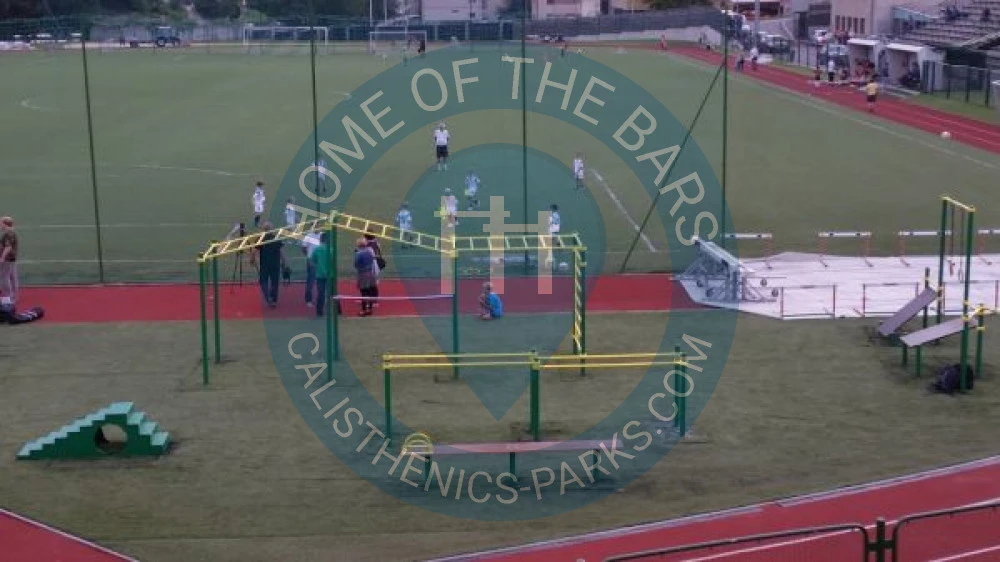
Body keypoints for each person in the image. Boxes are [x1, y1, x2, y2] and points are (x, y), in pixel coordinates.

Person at [255, 221, 284, 307]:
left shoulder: (261, 238)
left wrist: (252, 259)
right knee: (275, 282)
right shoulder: (276, 238)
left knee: (263, 281)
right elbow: (281, 252)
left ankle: (268, 297)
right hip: (275, 264)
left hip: (264, 264)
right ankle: (273, 300)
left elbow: (254, 250)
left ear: (263, 229)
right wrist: (284, 263)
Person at [354, 238, 379, 316]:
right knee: (370, 291)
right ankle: (370, 309)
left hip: (363, 274)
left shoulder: (359, 254)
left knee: (364, 292)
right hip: (370, 273)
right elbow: (372, 260)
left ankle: (364, 310)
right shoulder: (369, 252)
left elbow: (356, 264)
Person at [309, 232, 331, 317]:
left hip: (320, 274)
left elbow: (312, 261)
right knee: (333, 293)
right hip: (330, 274)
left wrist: (318, 266)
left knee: (320, 293)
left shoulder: (317, 249)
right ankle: (338, 310)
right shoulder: (331, 249)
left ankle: (319, 311)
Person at [0, 217, 18, 304]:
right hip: (11, 258)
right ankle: (14, 296)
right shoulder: (11, 232)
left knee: (4, 277)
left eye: (1, 223)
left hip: (7, 259)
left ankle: (8, 298)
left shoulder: (8, 234)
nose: (0, 225)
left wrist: (2, 257)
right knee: (13, 277)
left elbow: (8, 247)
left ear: (5, 224)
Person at [301, 229, 321, 307]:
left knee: (321, 279)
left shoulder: (322, 235)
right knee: (311, 280)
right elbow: (303, 247)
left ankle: (321, 298)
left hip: (320, 260)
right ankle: (308, 300)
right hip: (311, 260)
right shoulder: (308, 236)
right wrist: (308, 256)